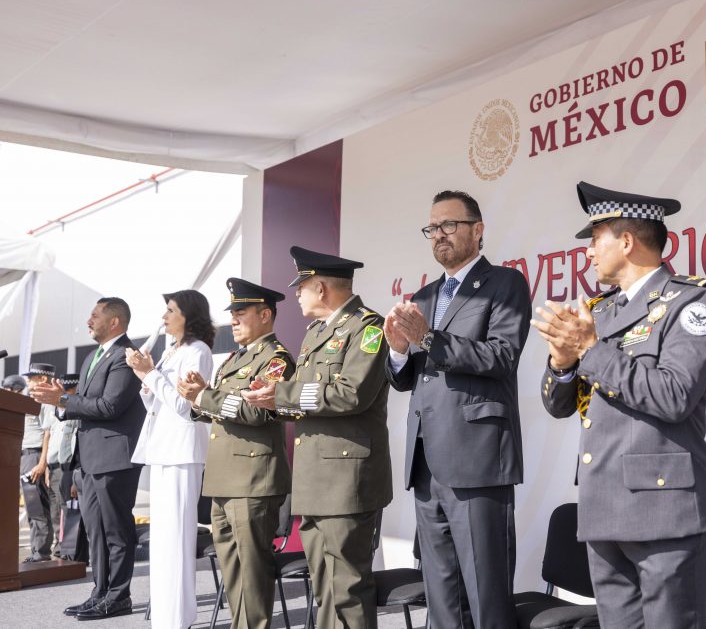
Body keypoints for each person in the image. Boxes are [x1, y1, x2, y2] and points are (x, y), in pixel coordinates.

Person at [532, 181, 706, 629]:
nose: (587, 251)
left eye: (594, 238)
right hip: (604, 508)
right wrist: (563, 362)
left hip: (667, 513)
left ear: (626, 241)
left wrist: (589, 349)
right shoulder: (597, 312)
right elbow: (559, 405)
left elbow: (674, 395)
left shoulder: (694, 303)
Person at [384, 190, 530, 629]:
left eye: (449, 225)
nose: (439, 235)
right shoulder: (424, 295)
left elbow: (501, 357)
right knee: (442, 594)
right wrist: (396, 353)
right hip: (427, 461)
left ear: (477, 230)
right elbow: (408, 376)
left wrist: (429, 340)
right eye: (432, 228)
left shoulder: (506, 285)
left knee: (486, 595)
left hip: (477, 459)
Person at [244, 246, 392, 629]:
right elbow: (304, 397)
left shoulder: (369, 328)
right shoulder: (315, 333)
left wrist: (284, 395)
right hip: (313, 479)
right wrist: (272, 398)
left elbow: (351, 394)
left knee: (348, 587)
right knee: (323, 587)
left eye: (302, 286)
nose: (296, 294)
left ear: (322, 287)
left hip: (346, 480)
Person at [177, 278, 295, 629]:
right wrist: (196, 398)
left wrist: (205, 397)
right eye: (232, 313)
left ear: (265, 314)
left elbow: (258, 412)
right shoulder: (234, 359)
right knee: (231, 569)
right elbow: (220, 407)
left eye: (240, 312)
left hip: (253, 481)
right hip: (224, 478)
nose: (233, 320)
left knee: (253, 570)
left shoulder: (276, 359)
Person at [29, 297, 145, 620]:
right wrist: (61, 402)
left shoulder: (125, 356)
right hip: (90, 459)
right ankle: (100, 592)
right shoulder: (92, 357)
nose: (88, 320)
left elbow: (110, 406)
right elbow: (84, 403)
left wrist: (65, 399)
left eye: (95, 315)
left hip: (115, 458)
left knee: (116, 530)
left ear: (115, 322)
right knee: (94, 530)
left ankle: (119, 596)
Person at [127, 289, 215, 629]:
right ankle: (164, 618)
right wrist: (145, 380)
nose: (164, 317)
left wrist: (150, 375)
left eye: (170, 310)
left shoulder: (198, 351)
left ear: (187, 316)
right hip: (162, 449)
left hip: (182, 451)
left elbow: (184, 406)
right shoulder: (171, 351)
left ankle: (178, 619)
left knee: (177, 538)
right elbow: (157, 404)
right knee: (161, 539)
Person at [17, 364, 56, 563]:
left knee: (38, 507)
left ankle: (41, 552)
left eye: (32, 378)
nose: (28, 382)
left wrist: (42, 463)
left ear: (42, 379)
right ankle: (36, 551)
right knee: (32, 508)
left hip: (35, 455)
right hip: (25, 456)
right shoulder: (30, 400)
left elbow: (48, 433)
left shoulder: (46, 401)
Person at [46, 373, 82, 560]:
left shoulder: (79, 411)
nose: (66, 395)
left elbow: (79, 447)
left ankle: (73, 551)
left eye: (68, 391)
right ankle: (67, 549)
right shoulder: (63, 411)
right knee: (63, 509)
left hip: (75, 468)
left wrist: (76, 478)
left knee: (72, 510)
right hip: (63, 466)